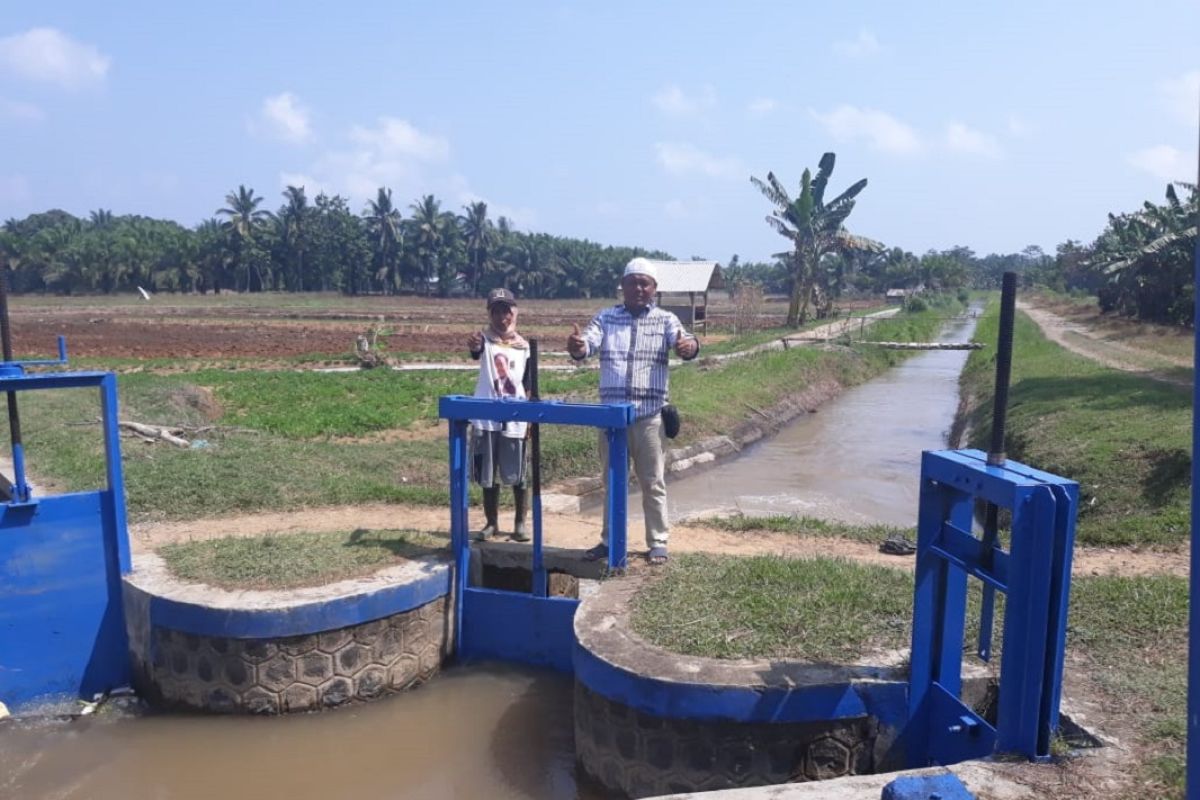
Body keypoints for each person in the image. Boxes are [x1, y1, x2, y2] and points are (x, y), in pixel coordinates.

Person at [566, 258, 700, 564]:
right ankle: (610, 540)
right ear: (622, 286)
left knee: (652, 481)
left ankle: (658, 542)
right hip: (612, 419)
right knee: (612, 481)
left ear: (654, 289)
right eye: (633, 282)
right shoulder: (606, 318)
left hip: (650, 417)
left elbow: (687, 342)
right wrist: (577, 347)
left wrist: (688, 347)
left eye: (645, 283)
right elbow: (587, 344)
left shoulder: (666, 320)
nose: (639, 288)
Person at [468, 288, 530, 542]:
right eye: (496, 311)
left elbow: (528, 383)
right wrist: (475, 346)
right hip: (486, 416)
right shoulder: (484, 341)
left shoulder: (524, 346)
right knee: (488, 472)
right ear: (489, 314)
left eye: (506, 310)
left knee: (518, 471)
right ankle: (491, 522)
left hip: (515, 415)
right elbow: (475, 350)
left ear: (513, 313)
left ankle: (519, 522)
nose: (502, 316)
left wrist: (530, 417)